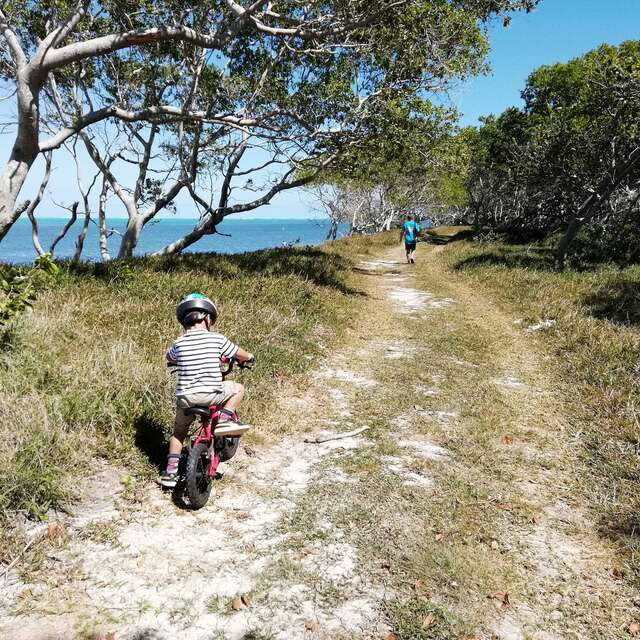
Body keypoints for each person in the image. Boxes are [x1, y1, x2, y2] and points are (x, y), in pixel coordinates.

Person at [160, 293, 255, 488]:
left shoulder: (179, 343)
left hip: (185, 398)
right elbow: (239, 353)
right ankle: (225, 419)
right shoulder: (217, 339)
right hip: (210, 393)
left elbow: (170, 358)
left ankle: (170, 473)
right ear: (207, 318)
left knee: (178, 433)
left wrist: (181, 359)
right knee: (238, 388)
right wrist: (250, 357)